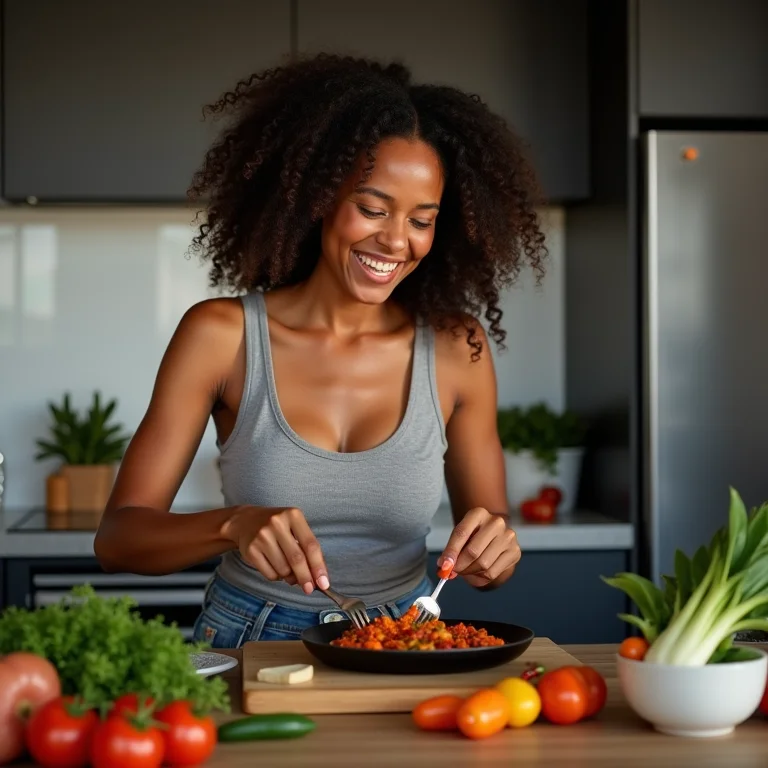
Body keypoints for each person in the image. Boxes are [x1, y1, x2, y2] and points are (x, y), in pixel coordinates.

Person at [94, 54, 546, 646]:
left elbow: (493, 552)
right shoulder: (221, 336)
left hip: (405, 639)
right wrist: (234, 524)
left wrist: (495, 552)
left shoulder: (458, 348)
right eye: (372, 208)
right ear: (317, 196)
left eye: (421, 220)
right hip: (250, 637)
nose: (395, 240)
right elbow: (119, 540)